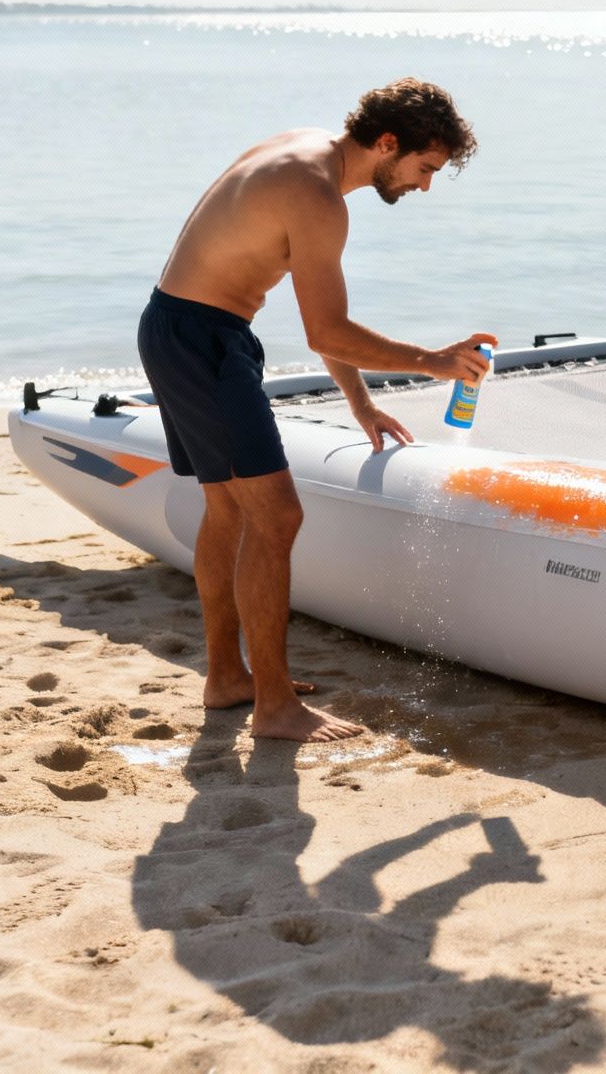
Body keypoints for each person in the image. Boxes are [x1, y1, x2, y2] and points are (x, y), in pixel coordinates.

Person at [139, 78, 494, 743]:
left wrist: (359, 403)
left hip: (186, 330)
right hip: (203, 341)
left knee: (229, 510)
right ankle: (273, 706)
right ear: (388, 143)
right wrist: (434, 362)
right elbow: (326, 330)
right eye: (423, 168)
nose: (423, 187)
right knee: (276, 516)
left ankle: (228, 679)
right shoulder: (316, 196)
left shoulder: (303, 150)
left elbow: (319, 314)